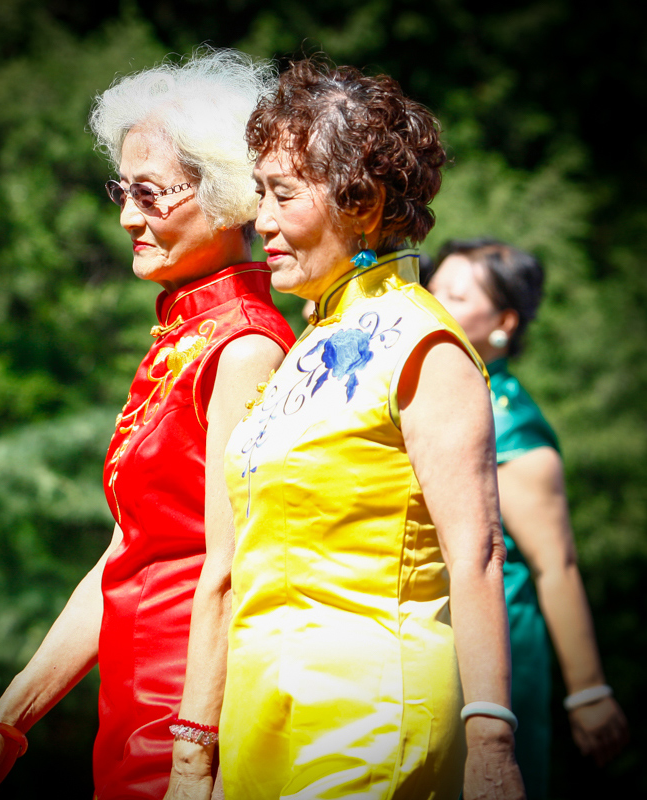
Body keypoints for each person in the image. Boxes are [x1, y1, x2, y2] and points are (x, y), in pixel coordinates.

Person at [0, 49, 295, 800]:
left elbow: (232, 572)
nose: (129, 217)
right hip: (135, 704)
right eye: (123, 191)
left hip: (191, 719)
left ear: (228, 194)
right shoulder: (186, 334)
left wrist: (194, 756)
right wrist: (3, 726)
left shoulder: (244, 347)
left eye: (151, 194)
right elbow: (126, 555)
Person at [219, 59, 525, 800]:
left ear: (363, 201)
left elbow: (478, 552)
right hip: (261, 716)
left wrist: (491, 741)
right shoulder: (308, 342)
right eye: (260, 193)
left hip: (370, 719)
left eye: (283, 194)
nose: (261, 221)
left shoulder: (425, 343)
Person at [428, 238, 628, 799]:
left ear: (504, 323)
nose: (435, 304)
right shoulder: (436, 394)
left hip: (498, 648)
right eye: (432, 289)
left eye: (456, 295)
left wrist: (588, 691)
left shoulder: (514, 430)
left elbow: (555, 566)